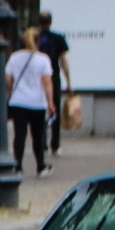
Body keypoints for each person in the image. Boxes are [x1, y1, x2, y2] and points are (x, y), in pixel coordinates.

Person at [6, 26, 57, 174]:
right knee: (38, 135)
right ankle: (40, 166)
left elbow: (8, 79)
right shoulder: (43, 59)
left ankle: (18, 165)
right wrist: (51, 103)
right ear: (39, 40)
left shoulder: (15, 57)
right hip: (37, 103)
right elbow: (47, 83)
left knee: (19, 134)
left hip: (18, 101)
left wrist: (12, 91)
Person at [38, 22, 71, 155]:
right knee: (55, 110)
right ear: (50, 22)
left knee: (40, 111)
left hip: (39, 78)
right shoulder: (58, 38)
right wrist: (69, 82)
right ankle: (55, 144)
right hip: (54, 77)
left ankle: (42, 142)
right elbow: (63, 61)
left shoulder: (36, 38)